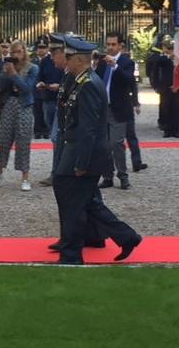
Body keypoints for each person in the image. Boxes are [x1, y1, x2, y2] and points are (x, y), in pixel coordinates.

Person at [53, 36, 141, 264]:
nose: (66, 61)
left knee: (73, 204)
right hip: (74, 150)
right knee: (85, 201)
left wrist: (81, 163)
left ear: (80, 60)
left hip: (84, 155)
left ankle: (71, 256)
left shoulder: (89, 84)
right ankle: (126, 236)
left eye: (69, 58)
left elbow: (88, 129)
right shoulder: (81, 80)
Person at [0, 40, 39, 191]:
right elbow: (0, 85)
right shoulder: (7, 66)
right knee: (4, 140)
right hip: (8, 104)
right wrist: (7, 73)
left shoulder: (32, 68)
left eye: (19, 51)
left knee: (23, 140)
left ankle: (25, 178)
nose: (16, 55)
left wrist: (13, 75)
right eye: (13, 52)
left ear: (25, 52)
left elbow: (27, 89)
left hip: (24, 105)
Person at [95, 32, 135, 190]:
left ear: (120, 46)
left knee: (116, 143)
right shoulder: (103, 62)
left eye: (113, 44)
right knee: (103, 145)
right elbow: (96, 80)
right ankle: (107, 176)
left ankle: (123, 175)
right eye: (108, 44)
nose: (110, 47)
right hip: (103, 108)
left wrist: (115, 66)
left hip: (118, 108)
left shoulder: (126, 62)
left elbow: (129, 80)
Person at [152, 40, 179, 138]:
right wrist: (156, 85)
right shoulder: (162, 58)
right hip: (165, 87)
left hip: (177, 87)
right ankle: (167, 130)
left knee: (176, 109)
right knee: (166, 109)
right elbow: (155, 70)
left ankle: (176, 130)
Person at [36, 37, 64, 141]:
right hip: (48, 98)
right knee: (51, 125)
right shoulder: (45, 61)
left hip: (61, 99)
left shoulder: (65, 61)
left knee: (57, 133)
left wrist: (60, 86)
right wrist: (40, 84)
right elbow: (40, 77)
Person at [31, 37, 50, 139]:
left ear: (47, 48)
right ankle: (37, 131)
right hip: (35, 90)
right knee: (37, 112)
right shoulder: (32, 60)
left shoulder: (50, 60)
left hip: (47, 89)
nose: (41, 50)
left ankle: (46, 130)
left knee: (46, 112)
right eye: (39, 47)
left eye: (43, 47)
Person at [126, 81, 148, 171]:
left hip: (126, 106)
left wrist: (136, 104)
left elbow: (133, 86)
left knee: (131, 136)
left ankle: (136, 163)